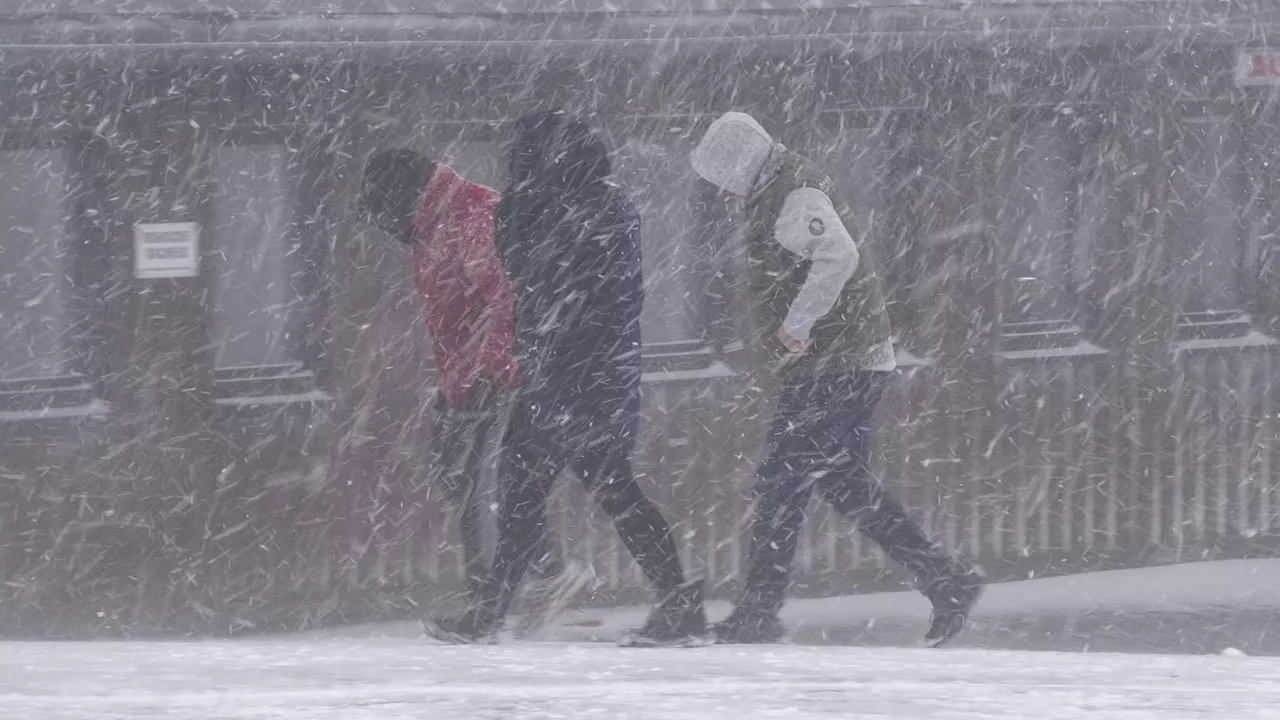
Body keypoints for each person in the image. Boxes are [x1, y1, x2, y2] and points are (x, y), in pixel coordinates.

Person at [690, 111, 985, 647]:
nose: (725, 186)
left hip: (836, 362)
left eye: (723, 173)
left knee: (781, 480)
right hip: (852, 359)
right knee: (842, 483)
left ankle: (759, 610)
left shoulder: (792, 196)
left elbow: (839, 255)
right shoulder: (784, 186)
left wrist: (797, 325)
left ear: (739, 161)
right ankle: (947, 581)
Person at [423, 110, 708, 647]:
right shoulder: (588, 206)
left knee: (573, 492)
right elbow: (544, 283)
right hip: (576, 376)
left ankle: (676, 604)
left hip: (575, 378)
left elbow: (555, 288)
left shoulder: (577, 212)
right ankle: (675, 603)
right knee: (538, 492)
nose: (516, 160)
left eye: (524, 151)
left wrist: (551, 355)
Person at [357, 149, 586, 635]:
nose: (386, 227)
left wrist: (493, 369)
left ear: (405, 195)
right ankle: (538, 574)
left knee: (483, 487)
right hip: (464, 373)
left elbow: (507, 295)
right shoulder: (433, 223)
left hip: (496, 374)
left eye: (383, 212)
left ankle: (492, 601)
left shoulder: (473, 214)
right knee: (459, 476)